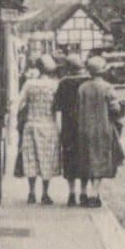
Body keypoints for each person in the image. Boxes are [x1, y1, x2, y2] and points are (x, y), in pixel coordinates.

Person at [77, 55, 125, 207]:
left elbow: (78, 107)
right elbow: (115, 109)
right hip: (103, 128)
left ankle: (82, 192)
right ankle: (94, 194)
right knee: (100, 160)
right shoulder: (107, 87)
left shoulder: (82, 87)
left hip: (84, 128)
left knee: (86, 159)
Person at [17, 55, 61, 204]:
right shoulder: (54, 85)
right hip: (48, 125)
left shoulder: (29, 84)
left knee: (31, 158)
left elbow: (20, 103)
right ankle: (45, 193)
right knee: (46, 159)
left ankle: (31, 192)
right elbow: (58, 108)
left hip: (31, 124)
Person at [54, 54, 88, 207]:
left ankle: (71, 193)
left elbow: (57, 107)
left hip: (68, 127)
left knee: (69, 160)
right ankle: (84, 192)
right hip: (85, 125)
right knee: (84, 159)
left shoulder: (63, 83)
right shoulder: (87, 81)